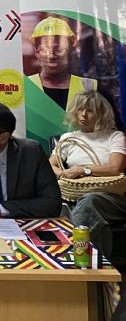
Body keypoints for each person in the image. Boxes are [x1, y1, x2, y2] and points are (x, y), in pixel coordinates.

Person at [50, 91, 126, 257]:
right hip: (74, 194)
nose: (83, 115)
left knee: (88, 202)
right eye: (80, 109)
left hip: (110, 196)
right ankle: (95, 260)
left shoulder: (115, 136)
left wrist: (83, 170)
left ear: (102, 113)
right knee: (78, 208)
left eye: (90, 110)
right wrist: (62, 174)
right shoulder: (68, 137)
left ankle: (74, 254)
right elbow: (51, 165)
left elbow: (116, 168)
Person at [28, 16, 97, 111]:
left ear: (71, 50)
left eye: (59, 49)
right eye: (45, 49)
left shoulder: (89, 87)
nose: (51, 56)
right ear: (36, 52)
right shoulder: (25, 86)